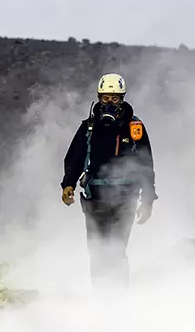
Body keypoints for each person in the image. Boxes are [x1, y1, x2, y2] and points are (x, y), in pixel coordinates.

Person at [60, 73, 157, 286]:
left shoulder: (134, 129)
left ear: (122, 99)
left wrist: (148, 199)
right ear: (98, 97)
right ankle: (100, 299)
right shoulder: (89, 127)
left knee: (116, 249)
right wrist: (68, 184)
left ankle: (118, 298)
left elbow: (145, 165)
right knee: (96, 250)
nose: (109, 103)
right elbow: (75, 158)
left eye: (114, 98)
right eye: (105, 98)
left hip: (125, 199)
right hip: (94, 199)